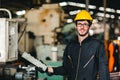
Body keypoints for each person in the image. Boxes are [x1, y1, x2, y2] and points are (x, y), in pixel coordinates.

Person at [46, 10, 110, 80]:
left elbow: (103, 70)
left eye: (85, 24)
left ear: (90, 26)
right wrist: (50, 69)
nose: (82, 27)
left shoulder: (97, 45)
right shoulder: (70, 46)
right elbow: (66, 69)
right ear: (76, 26)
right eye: (79, 24)